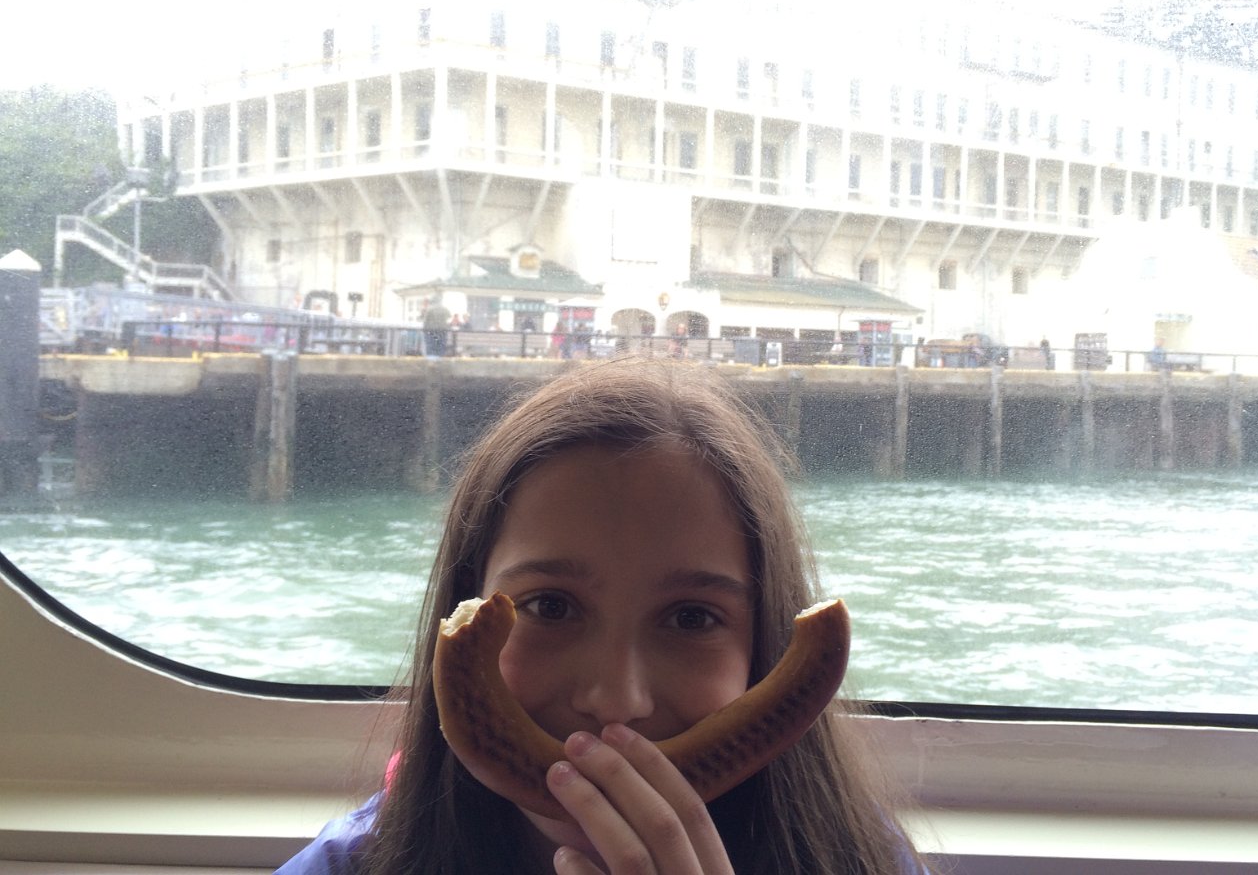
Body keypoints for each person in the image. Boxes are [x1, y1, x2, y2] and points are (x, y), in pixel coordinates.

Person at [277, 358, 930, 875]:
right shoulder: (345, 866)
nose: (616, 703)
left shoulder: (862, 861)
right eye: (549, 606)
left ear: (765, 652)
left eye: (691, 619)